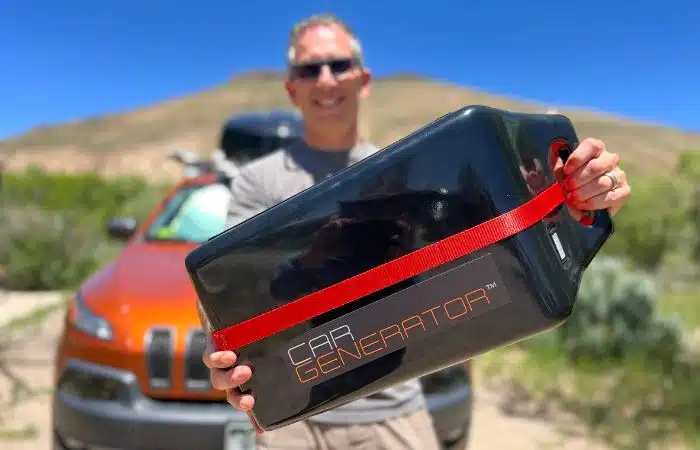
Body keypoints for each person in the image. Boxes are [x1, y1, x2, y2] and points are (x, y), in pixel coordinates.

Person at [198, 12, 632, 450]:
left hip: (396, 409)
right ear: (293, 88)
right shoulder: (259, 181)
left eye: (339, 65)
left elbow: (504, 243)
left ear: (363, 79)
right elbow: (234, 296)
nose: (326, 80)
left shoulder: (405, 172)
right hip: (296, 411)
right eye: (310, 69)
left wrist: (579, 194)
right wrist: (225, 358)